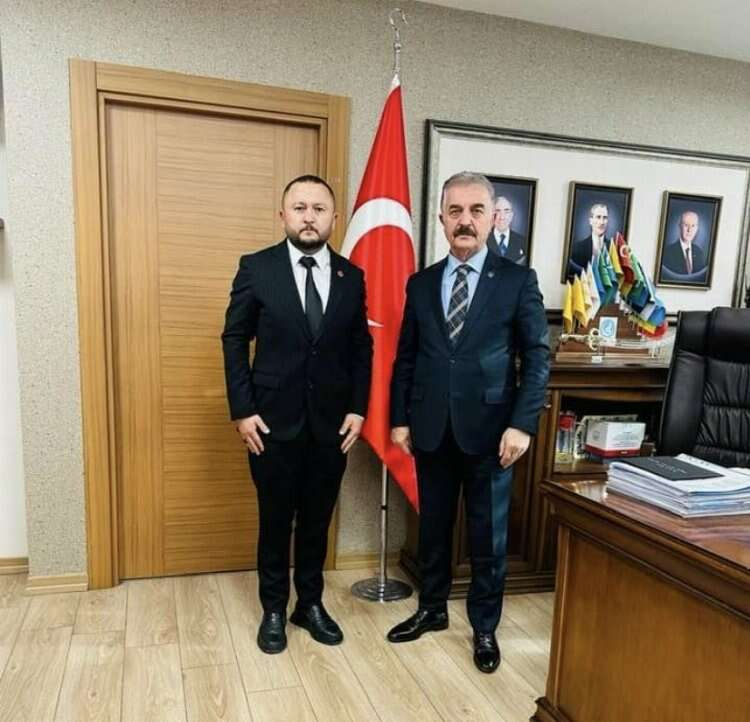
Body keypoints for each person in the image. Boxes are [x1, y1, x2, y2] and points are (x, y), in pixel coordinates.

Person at [387, 171, 550, 673]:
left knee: (487, 537)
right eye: (455, 211)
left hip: (493, 433)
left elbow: (537, 357)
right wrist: (399, 419)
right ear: (441, 218)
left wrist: (522, 425)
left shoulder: (518, 281)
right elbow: (406, 357)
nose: (465, 220)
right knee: (432, 528)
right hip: (431, 426)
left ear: (492, 217)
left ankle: (484, 627)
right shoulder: (421, 283)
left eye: (476, 210)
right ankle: (432, 609)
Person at [222, 174, 373, 654]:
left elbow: (361, 348)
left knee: (316, 521)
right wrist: (243, 410)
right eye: (300, 208)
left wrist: (359, 408)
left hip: (332, 426)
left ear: (334, 218)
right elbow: (234, 338)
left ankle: (309, 604)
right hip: (270, 424)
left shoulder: (352, 276)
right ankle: (273, 609)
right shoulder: (256, 268)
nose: (310, 217)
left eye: (319, 209)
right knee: (275, 521)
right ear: (283, 215)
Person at [568, 202, 610, 278]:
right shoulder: (577, 248)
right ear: (590, 221)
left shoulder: (613, 249)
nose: (602, 222)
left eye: (605, 218)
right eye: (598, 217)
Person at [661, 210, 707, 276]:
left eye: (693, 226)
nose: (689, 230)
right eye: (686, 225)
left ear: (697, 229)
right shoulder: (668, 252)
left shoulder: (699, 252)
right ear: (680, 226)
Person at [486, 195, 527, 265]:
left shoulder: (522, 241)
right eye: (497, 211)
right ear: (492, 215)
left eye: (506, 211)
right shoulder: (483, 240)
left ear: (511, 215)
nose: (502, 217)